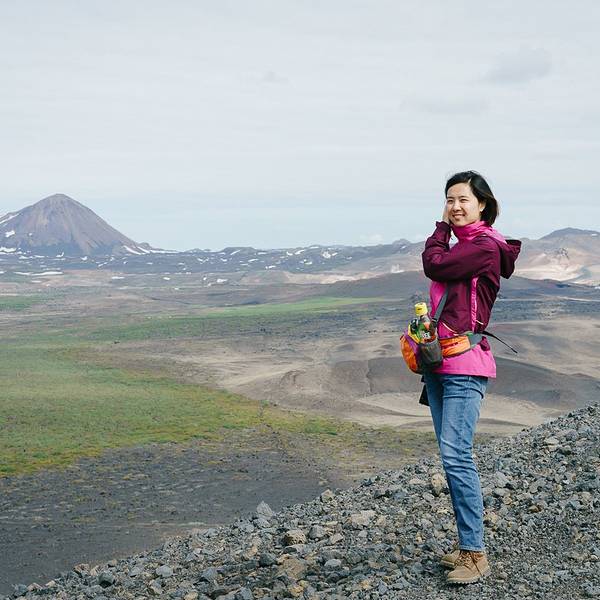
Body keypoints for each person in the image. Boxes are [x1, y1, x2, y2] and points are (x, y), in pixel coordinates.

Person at [420, 170, 521, 584]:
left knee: (457, 456)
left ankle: (475, 554)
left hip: (465, 365)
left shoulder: (483, 248)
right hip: (440, 362)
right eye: (449, 200)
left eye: (463, 199)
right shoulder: (467, 246)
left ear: (483, 204)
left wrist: (440, 228)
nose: (455, 206)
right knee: (451, 457)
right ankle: (467, 544)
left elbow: (434, 264)